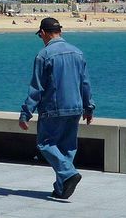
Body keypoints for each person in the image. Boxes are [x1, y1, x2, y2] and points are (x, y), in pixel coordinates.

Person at [19, 17, 94, 200]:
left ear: (43, 33)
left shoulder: (44, 55)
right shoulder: (78, 53)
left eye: (40, 36)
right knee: (67, 148)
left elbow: (37, 88)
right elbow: (85, 83)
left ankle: (68, 174)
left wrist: (25, 113)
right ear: (60, 32)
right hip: (75, 107)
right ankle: (61, 189)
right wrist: (89, 107)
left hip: (53, 108)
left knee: (45, 143)